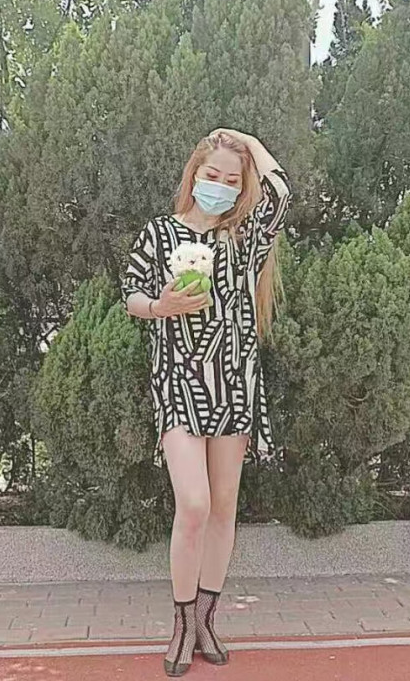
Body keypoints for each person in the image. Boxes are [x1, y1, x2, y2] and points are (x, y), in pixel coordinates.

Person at [121, 128, 291, 677]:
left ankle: (205, 621)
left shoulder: (245, 236)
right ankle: (179, 621)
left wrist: (244, 140)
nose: (218, 185)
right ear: (194, 173)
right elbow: (130, 293)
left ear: (241, 187)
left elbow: (282, 192)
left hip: (234, 383)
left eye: (230, 179)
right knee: (193, 503)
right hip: (178, 380)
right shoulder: (159, 232)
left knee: (223, 507)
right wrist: (160, 306)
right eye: (211, 173)